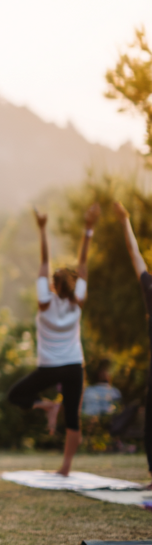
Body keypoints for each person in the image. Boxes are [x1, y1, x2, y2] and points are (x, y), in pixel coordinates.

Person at [7, 204, 97, 476]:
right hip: (73, 366)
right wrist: (89, 229)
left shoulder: (45, 303)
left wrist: (43, 228)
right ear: (71, 284)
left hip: (49, 366)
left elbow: (44, 263)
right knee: (73, 419)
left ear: (53, 286)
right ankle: (65, 468)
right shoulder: (78, 302)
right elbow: (83, 265)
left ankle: (46, 405)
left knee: (16, 395)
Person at [112, 201, 152, 487]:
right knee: (150, 426)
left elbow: (136, 254)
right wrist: (125, 221)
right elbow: (134, 254)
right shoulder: (150, 287)